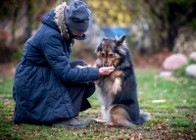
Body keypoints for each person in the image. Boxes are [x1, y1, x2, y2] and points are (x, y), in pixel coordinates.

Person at [13, 0, 114, 128]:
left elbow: (62, 67)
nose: (82, 34)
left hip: (41, 77)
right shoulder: (50, 36)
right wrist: (97, 72)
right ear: (70, 26)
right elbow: (65, 73)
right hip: (33, 83)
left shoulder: (61, 30)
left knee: (81, 66)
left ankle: (67, 114)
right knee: (81, 74)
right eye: (80, 32)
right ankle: (61, 118)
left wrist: (90, 72)